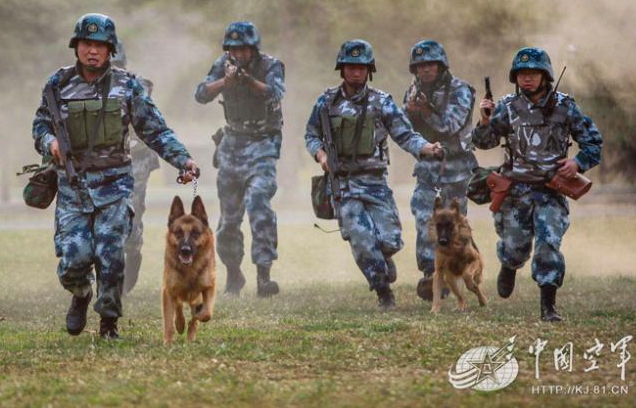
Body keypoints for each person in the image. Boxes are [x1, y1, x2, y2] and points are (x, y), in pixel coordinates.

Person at [32, 13, 199, 339]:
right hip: (74, 186)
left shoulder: (128, 85)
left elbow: (155, 130)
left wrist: (183, 159)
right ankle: (80, 294)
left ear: (110, 49)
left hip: (115, 183)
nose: (92, 51)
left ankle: (109, 322)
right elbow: (40, 124)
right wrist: (49, 141)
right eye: (86, 44)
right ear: (76, 46)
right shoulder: (58, 84)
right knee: (73, 260)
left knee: (111, 257)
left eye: (99, 45)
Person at [304, 39, 442, 309]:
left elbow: (405, 134)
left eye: (361, 68)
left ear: (369, 70)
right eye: (350, 67)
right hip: (342, 183)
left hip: (375, 181)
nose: (356, 72)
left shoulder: (382, 102)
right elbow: (311, 134)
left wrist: (426, 147)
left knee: (390, 240)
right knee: (361, 239)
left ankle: (382, 261)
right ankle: (383, 291)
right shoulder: (326, 101)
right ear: (341, 69)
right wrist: (321, 156)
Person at [472, 47, 602, 321]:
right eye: (521, 74)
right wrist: (484, 119)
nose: (527, 79)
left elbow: (592, 142)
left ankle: (548, 306)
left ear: (546, 76)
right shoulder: (507, 107)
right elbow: (484, 142)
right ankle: (509, 265)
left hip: (550, 190)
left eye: (533, 74)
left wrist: (577, 163)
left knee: (548, 244)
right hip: (515, 192)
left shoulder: (565, 107)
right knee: (515, 247)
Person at [195, 21, 284, 297]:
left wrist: (247, 80)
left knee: (259, 202)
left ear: (253, 48)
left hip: (262, 143)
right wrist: (225, 82)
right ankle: (234, 273)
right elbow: (200, 94)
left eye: (244, 49)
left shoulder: (270, 65)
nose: (239, 54)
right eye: (234, 49)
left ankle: (264, 274)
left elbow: (275, 94)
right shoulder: (222, 65)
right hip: (232, 144)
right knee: (228, 220)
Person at [401, 40, 477, 301]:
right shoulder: (412, 93)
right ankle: (430, 274)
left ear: (441, 65)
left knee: (454, 226)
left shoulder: (461, 90)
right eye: (420, 66)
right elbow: (405, 131)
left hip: (456, 168)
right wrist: (410, 113)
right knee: (424, 218)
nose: (425, 70)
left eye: (430, 64)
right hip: (427, 169)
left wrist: (425, 111)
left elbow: (450, 125)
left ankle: (464, 266)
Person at [111, 41, 161, 295]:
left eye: (116, 64)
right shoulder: (83, 85)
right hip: (103, 161)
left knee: (132, 215)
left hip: (135, 159)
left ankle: (133, 256)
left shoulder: (137, 84)